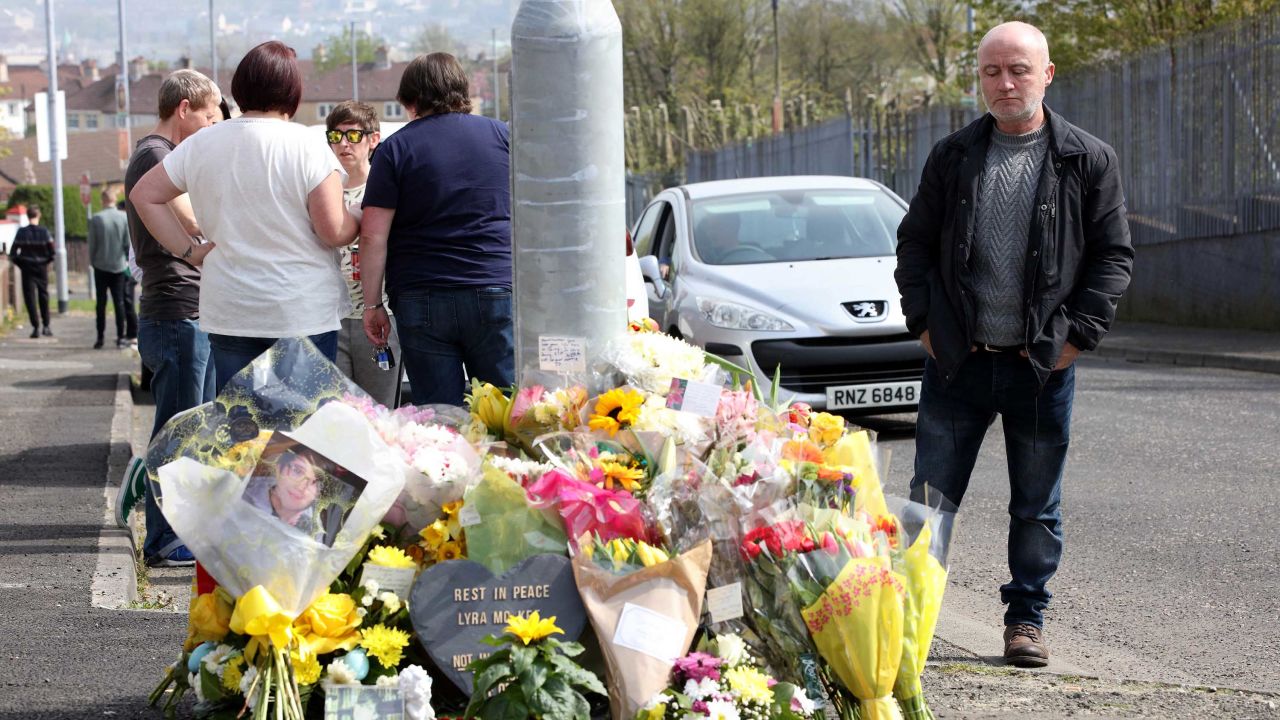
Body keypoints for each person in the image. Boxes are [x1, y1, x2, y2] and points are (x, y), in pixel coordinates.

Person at [894, 21, 1133, 668]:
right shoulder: (953, 156)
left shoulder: (1088, 160)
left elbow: (1113, 258)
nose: (1005, 83)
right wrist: (923, 323)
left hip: (1040, 368)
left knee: (1036, 507)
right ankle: (907, 618)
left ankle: (1025, 619)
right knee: (930, 500)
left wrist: (1076, 338)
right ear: (980, 79)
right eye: (993, 72)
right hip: (956, 364)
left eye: (1019, 70)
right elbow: (914, 242)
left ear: (1047, 74)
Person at [130, 40, 358, 393]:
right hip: (299, 308)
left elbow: (144, 195)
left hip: (230, 306)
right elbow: (332, 230)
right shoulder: (308, 145)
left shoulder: (201, 143)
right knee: (300, 433)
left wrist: (187, 251)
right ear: (292, 91)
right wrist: (359, 218)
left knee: (242, 432)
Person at [360, 52, 513, 406]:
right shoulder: (503, 137)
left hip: (420, 294)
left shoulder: (394, 149)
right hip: (494, 287)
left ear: (411, 99)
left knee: (438, 421)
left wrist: (372, 304)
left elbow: (372, 235)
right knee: (506, 413)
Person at [120, 68, 223, 567]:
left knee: (189, 429)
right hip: (177, 310)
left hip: (183, 310)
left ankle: (154, 501)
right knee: (181, 433)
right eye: (210, 114)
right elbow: (197, 221)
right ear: (183, 109)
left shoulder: (157, 154)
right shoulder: (157, 156)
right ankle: (162, 539)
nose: (214, 124)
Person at [325, 100, 402, 409]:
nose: (344, 144)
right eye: (336, 136)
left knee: (380, 412)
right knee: (337, 414)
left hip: (381, 316)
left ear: (374, 139)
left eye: (353, 135)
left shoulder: (384, 187)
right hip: (334, 318)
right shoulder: (324, 191)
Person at [87, 188, 132, 349]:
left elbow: (92, 244)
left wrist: (92, 261)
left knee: (101, 303)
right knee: (119, 302)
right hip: (119, 266)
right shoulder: (123, 218)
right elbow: (127, 244)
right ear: (115, 198)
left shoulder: (96, 219)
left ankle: (100, 338)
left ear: (102, 200)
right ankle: (121, 336)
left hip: (100, 265)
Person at [243, 450, 321, 534]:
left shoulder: (315, 526)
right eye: (298, 471)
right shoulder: (243, 491)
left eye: (314, 482)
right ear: (279, 468)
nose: (302, 487)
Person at [8, 205, 54, 338]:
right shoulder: (44, 232)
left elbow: (13, 253)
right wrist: (45, 262)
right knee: (43, 296)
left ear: (28, 216)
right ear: (39, 216)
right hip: (41, 268)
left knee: (30, 298)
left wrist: (22, 264)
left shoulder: (22, 232)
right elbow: (52, 252)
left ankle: (35, 327)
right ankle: (46, 325)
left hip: (27, 268)